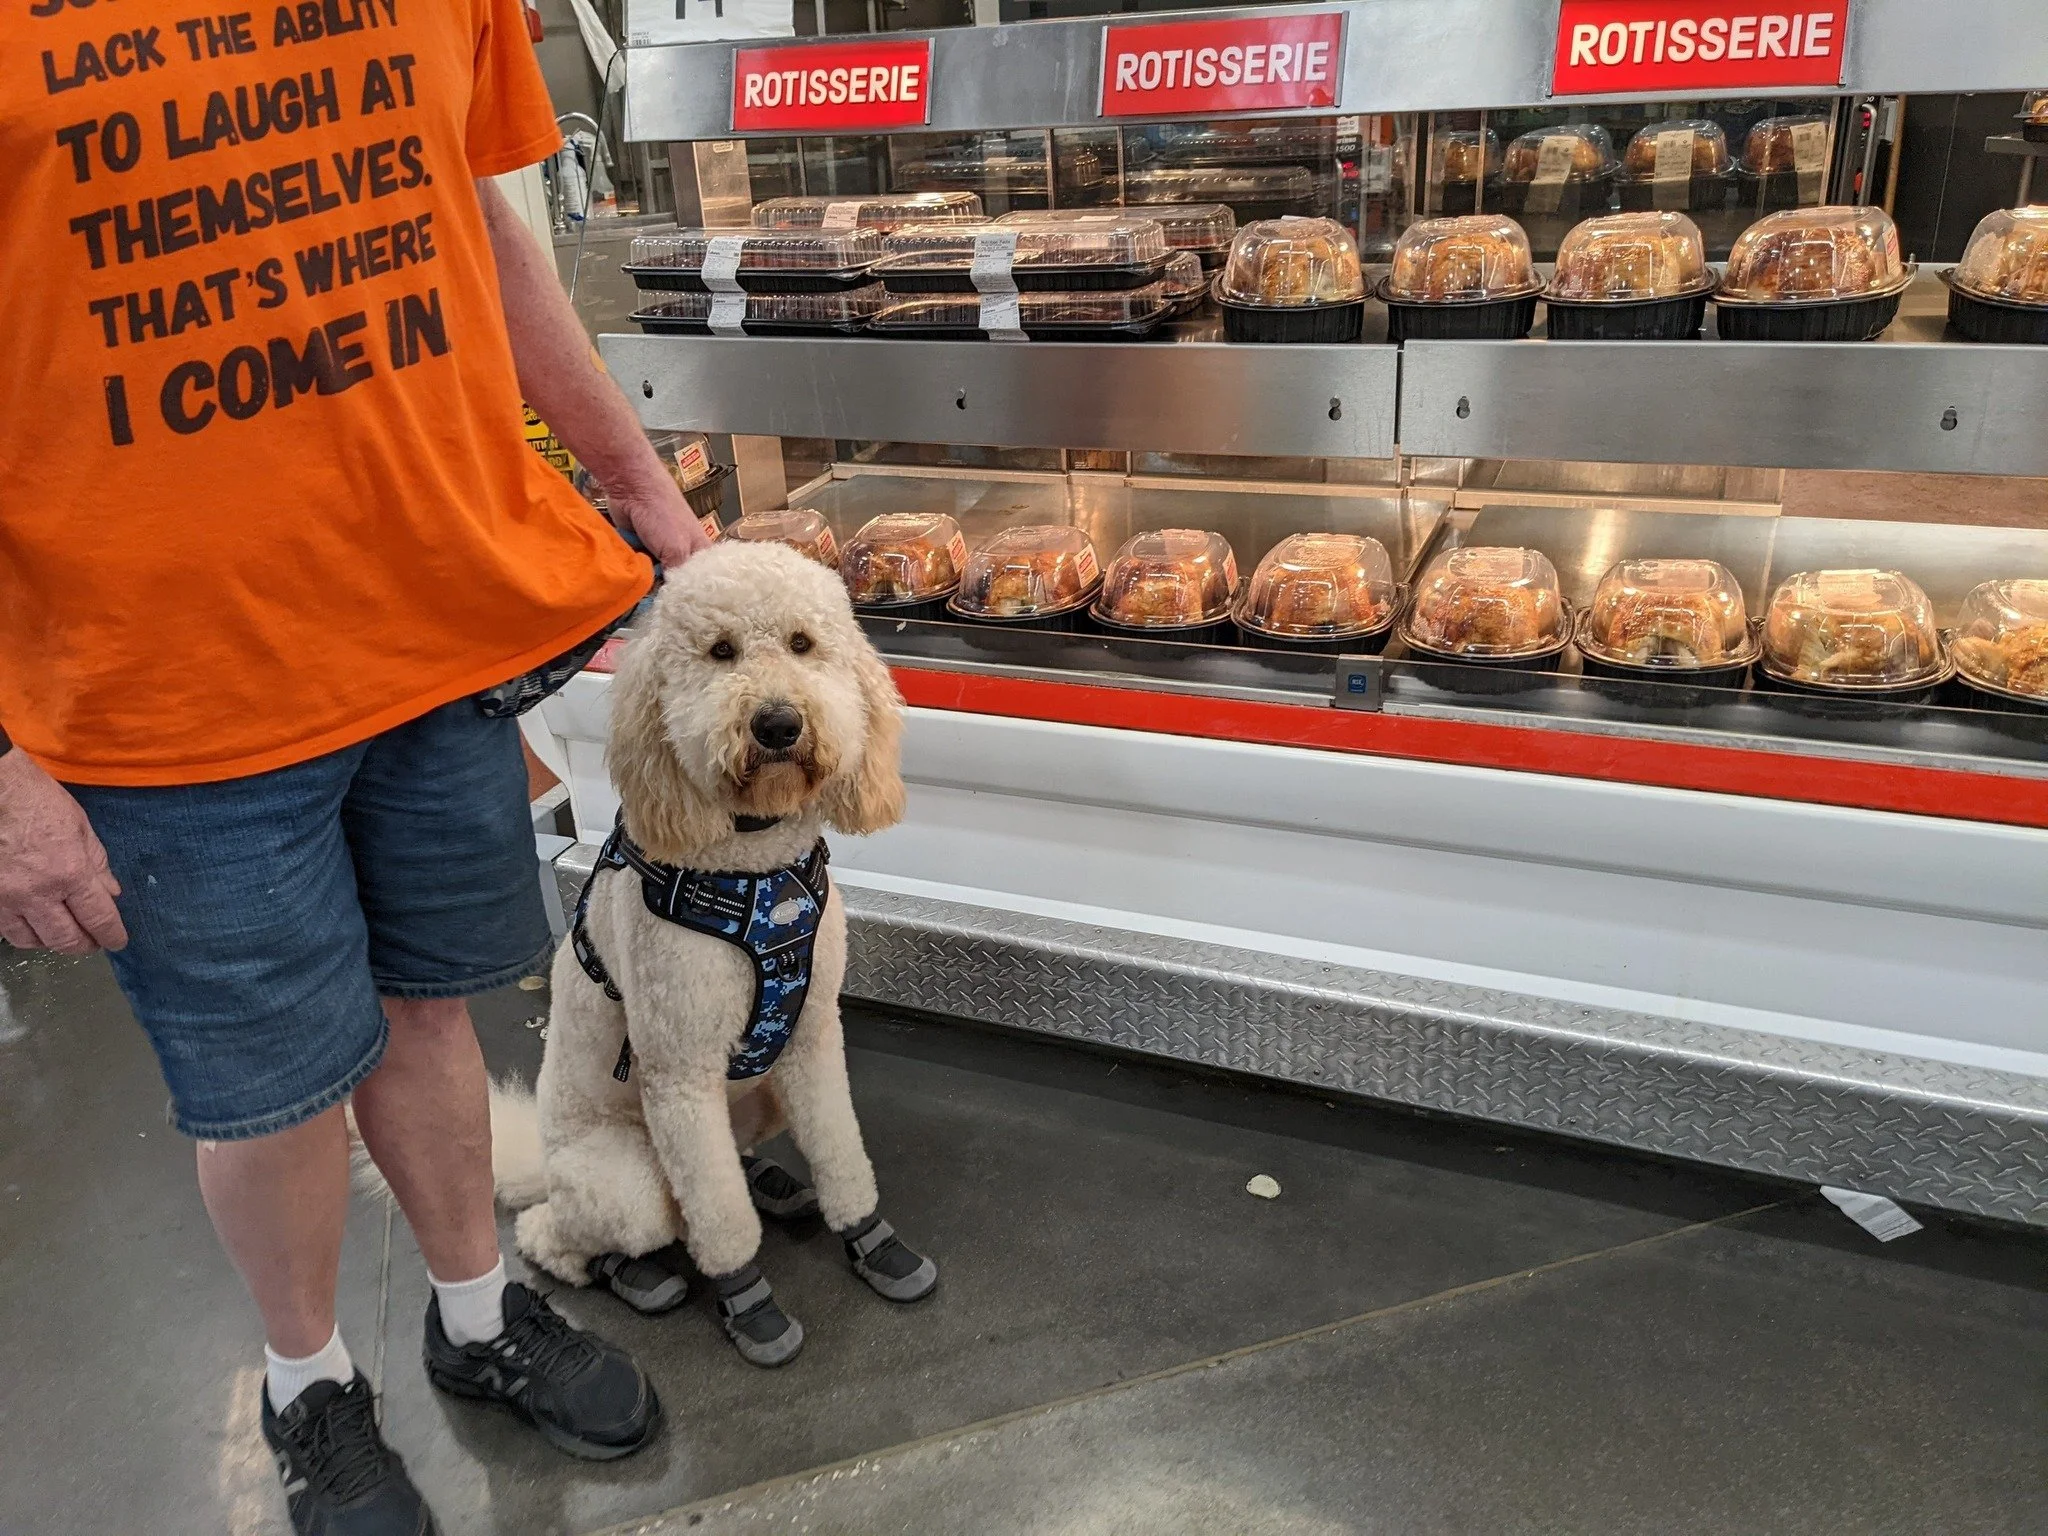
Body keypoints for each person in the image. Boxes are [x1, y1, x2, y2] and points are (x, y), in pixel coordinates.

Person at [0, 4, 712, 1531]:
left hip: (430, 632)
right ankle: (306, 1382)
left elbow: (479, 225)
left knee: (427, 1007)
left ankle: (477, 1314)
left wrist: (641, 486)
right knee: (266, 1095)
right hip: (158, 696)